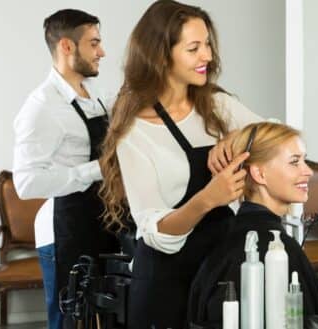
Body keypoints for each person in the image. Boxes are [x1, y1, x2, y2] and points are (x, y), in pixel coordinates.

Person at [98, 1, 262, 328]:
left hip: (218, 276)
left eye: (208, 45)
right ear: (161, 54)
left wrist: (236, 139)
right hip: (164, 286)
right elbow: (154, 229)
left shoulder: (216, 104)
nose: (208, 56)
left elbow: (280, 137)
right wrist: (209, 198)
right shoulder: (134, 130)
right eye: (194, 48)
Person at [12, 9, 119, 329]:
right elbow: (27, 183)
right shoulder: (41, 106)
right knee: (69, 319)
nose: (102, 52)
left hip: (101, 223)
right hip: (65, 230)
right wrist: (96, 170)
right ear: (67, 47)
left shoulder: (95, 95)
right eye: (94, 43)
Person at [187, 122, 318, 329]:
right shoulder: (278, 247)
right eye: (294, 162)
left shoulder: (227, 237)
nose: (308, 171)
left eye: (304, 160)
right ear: (259, 174)